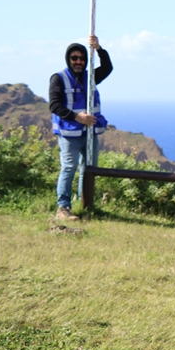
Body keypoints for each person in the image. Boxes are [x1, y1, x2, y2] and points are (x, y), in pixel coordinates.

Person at [49, 35, 113, 220]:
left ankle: (85, 204)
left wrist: (99, 49)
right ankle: (63, 208)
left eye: (82, 58)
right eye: (74, 58)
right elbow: (54, 105)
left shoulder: (91, 77)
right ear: (68, 59)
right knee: (69, 168)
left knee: (89, 168)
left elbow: (108, 67)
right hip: (69, 133)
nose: (78, 61)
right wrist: (77, 117)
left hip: (90, 132)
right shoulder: (59, 78)